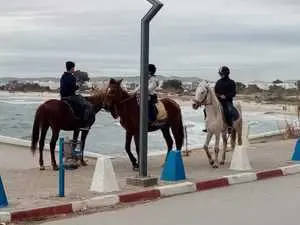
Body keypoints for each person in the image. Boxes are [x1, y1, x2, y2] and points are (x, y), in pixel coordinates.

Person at [60, 61, 95, 129]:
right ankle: (84, 124)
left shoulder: (63, 76)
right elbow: (73, 88)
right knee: (88, 105)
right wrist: (79, 86)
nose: (74, 69)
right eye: (73, 68)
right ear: (72, 68)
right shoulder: (72, 77)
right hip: (70, 97)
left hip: (63, 97)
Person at [214, 65, 236, 132]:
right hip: (218, 101)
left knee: (229, 110)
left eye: (222, 74)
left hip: (227, 101)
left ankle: (230, 126)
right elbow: (215, 92)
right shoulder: (218, 82)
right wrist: (218, 95)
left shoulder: (231, 82)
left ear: (226, 74)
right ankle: (207, 125)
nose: (221, 75)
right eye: (220, 74)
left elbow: (233, 93)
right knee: (205, 110)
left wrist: (226, 96)